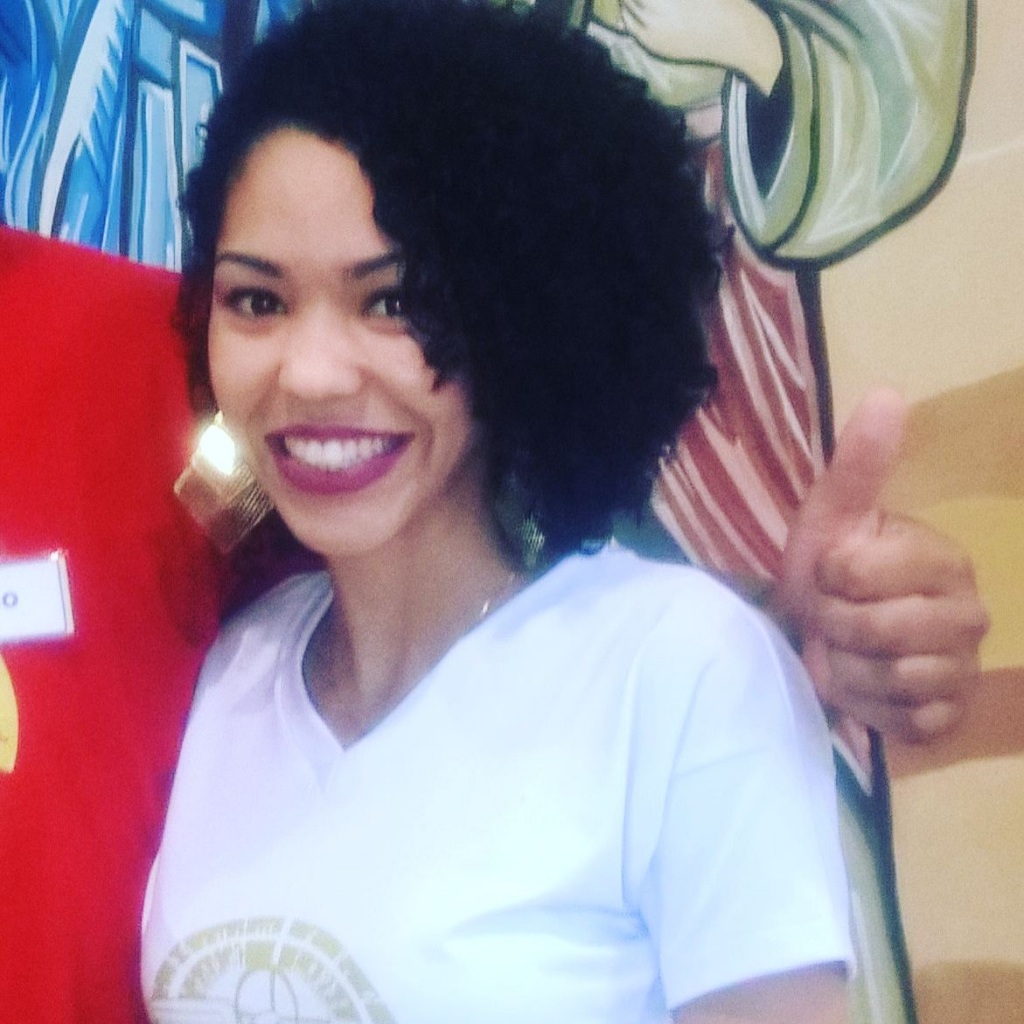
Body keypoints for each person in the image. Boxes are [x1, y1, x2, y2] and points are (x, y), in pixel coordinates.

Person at [140, 1, 985, 1021]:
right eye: (258, 301)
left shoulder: (682, 668)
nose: (310, 372)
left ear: (524, 315)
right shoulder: (233, 671)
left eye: (396, 300)